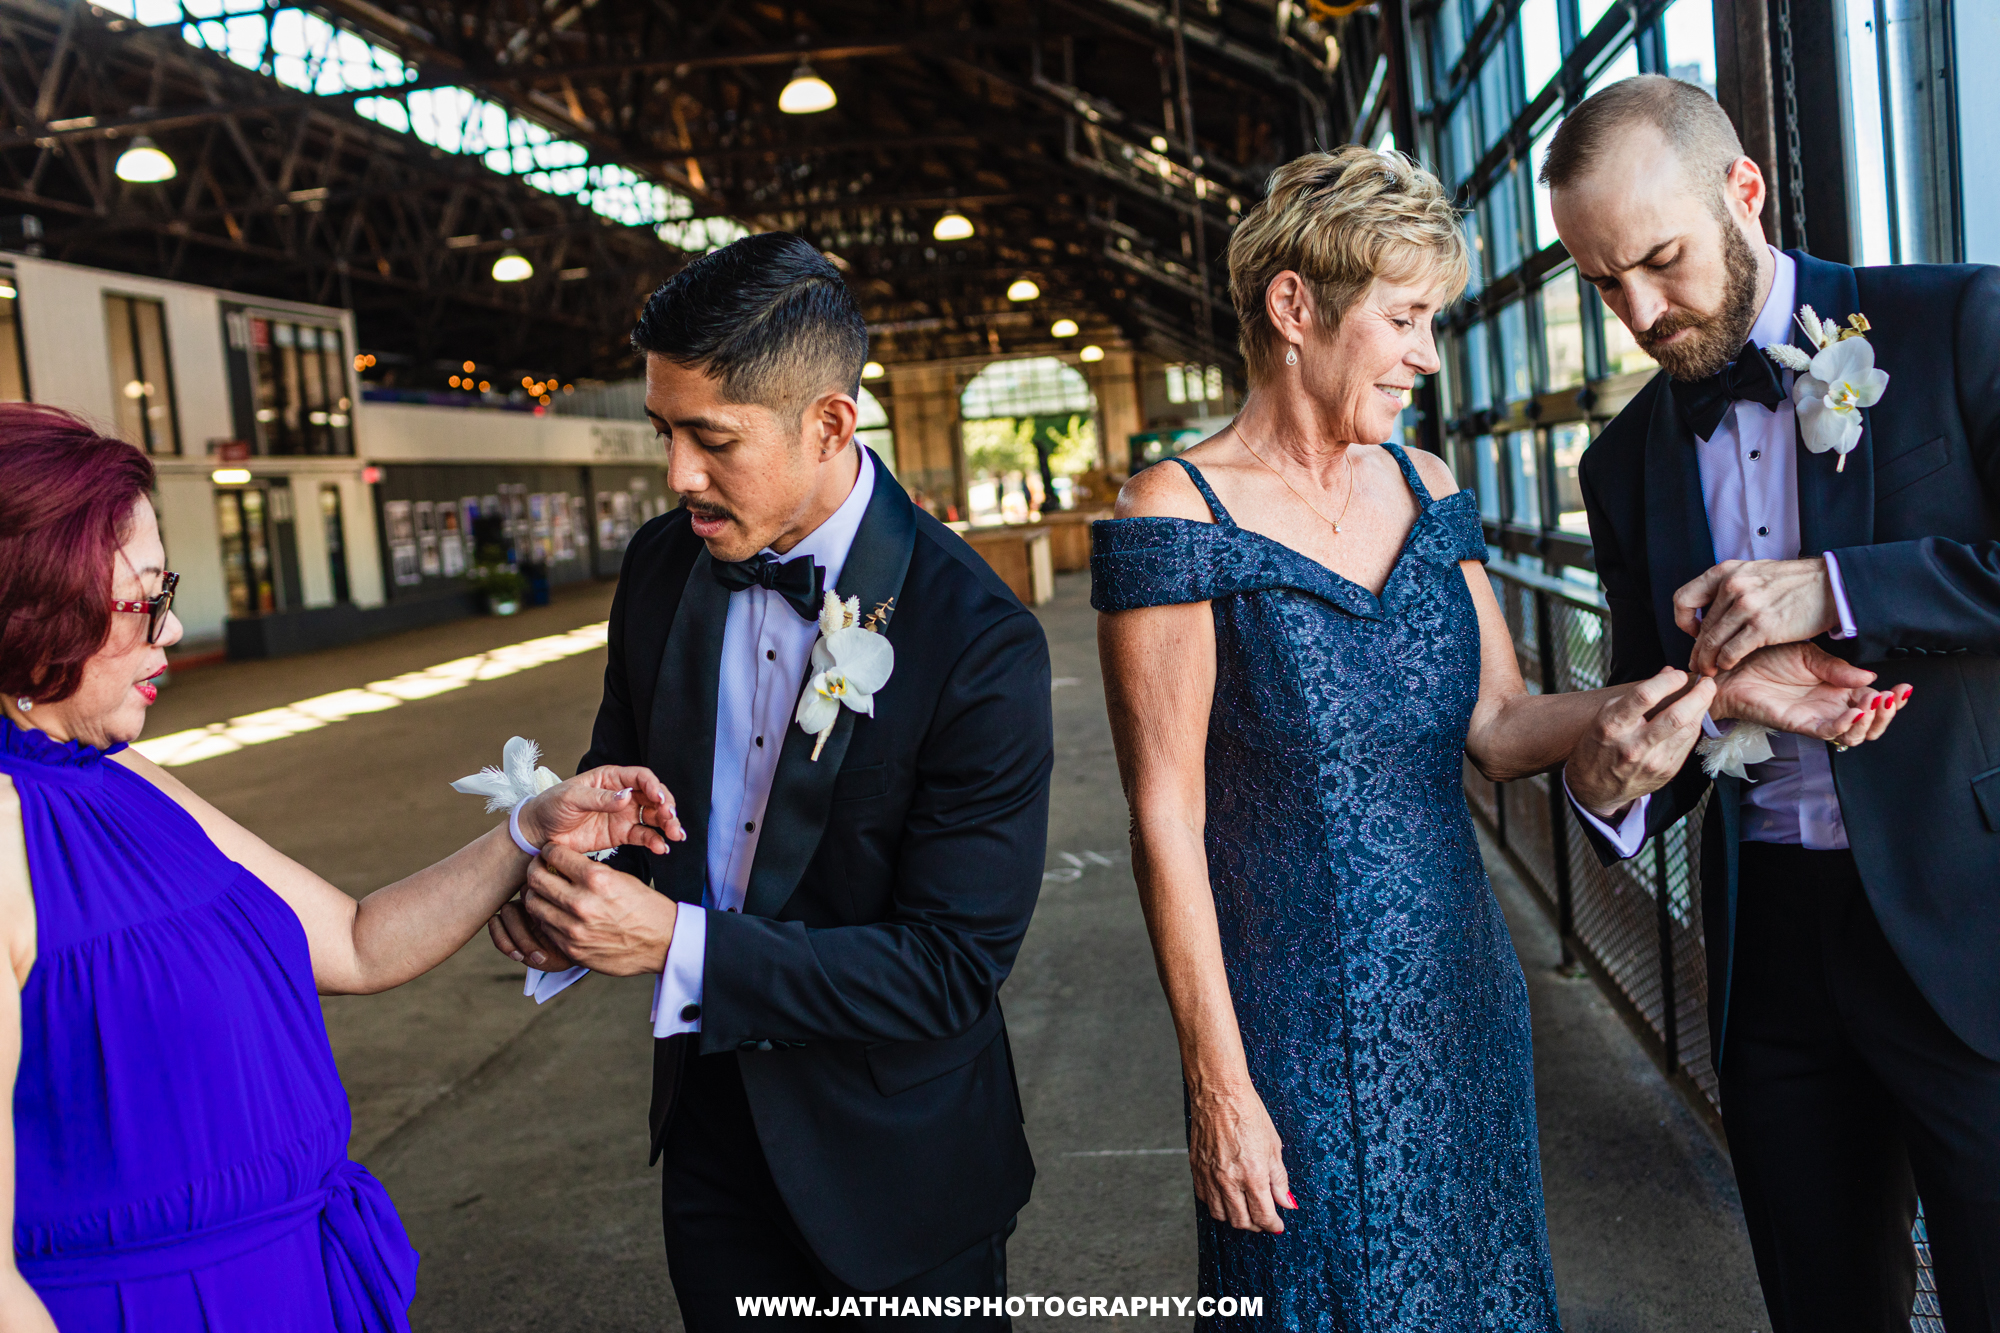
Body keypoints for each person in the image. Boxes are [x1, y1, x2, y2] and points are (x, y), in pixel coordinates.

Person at [1091, 146, 1907, 1330]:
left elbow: (1502, 723)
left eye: (1435, 320)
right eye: (1404, 318)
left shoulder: (1424, 486)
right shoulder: (1173, 510)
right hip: (1287, 1024)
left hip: (1460, 995)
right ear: (1292, 307)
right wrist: (1220, 1083)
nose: (1426, 355)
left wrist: (1727, 689)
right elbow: (1165, 817)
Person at [0, 404, 678, 1331]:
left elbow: (355, 943)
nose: (174, 623)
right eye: (144, 597)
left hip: (286, 1282)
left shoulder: (118, 775)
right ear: (34, 604)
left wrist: (525, 827)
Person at [484, 233, 1052, 1328]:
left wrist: (669, 945)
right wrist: (568, 884)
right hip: (711, 1146)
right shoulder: (661, 566)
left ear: (830, 422)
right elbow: (622, 792)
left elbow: (948, 968)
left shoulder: (977, 635)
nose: (675, 476)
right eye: (663, 432)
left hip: (899, 1168)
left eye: (711, 439)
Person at [1545, 74, 1998, 1331]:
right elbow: (1665, 705)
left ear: (1742, 191)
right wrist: (1611, 782)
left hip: (1970, 930)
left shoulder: (1955, 316)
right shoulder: (1618, 458)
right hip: (1771, 960)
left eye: (1658, 260)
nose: (1636, 311)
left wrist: (1835, 588)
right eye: (1599, 282)